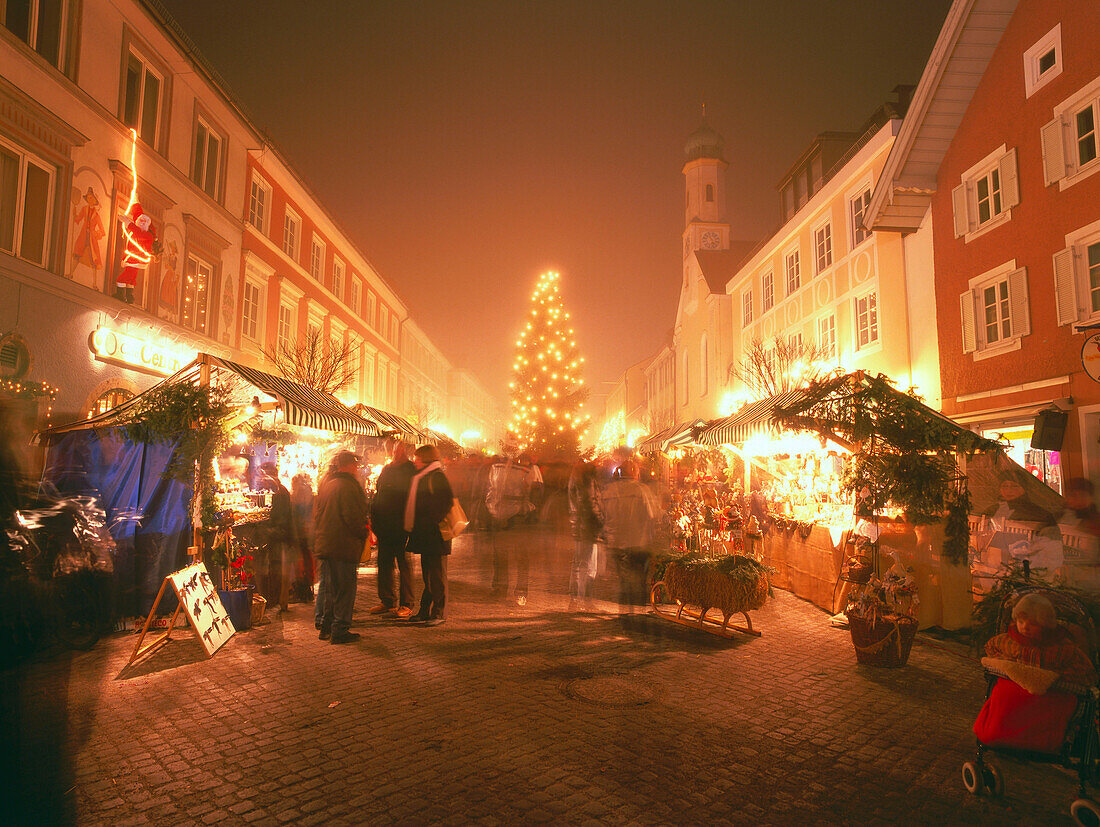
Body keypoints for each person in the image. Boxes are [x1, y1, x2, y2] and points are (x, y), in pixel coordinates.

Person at [974, 593, 1096, 753]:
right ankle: (997, 733)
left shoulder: (1061, 647)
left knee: (1057, 704)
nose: (1025, 627)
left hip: (1049, 693)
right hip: (1015, 687)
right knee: (1004, 698)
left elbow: (1084, 669)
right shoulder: (1010, 640)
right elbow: (991, 648)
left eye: (1033, 624)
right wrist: (1006, 663)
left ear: (1045, 624)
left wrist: (1055, 675)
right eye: (1021, 621)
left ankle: (1040, 741)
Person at [313, 451, 370, 644]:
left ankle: (326, 627)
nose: (357, 468)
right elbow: (352, 517)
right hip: (342, 545)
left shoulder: (329, 484)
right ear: (348, 465)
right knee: (345, 588)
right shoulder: (347, 486)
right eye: (355, 464)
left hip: (328, 544)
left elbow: (319, 515)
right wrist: (363, 533)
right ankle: (340, 629)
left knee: (330, 589)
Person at [404, 444, 454, 626]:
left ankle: (438, 613)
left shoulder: (436, 476)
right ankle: (425, 611)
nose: (415, 462)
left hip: (436, 535)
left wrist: (430, 520)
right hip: (426, 535)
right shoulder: (423, 477)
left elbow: (446, 502)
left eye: (417, 459)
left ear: (426, 460)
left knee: (437, 575)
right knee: (429, 575)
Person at [602, 459, 659, 612]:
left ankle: (624, 611)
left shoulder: (609, 490)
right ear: (634, 472)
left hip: (616, 542)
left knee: (623, 580)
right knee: (639, 579)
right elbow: (652, 515)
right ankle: (637, 613)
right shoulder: (641, 490)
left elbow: (603, 515)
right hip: (637, 542)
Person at [368, 440, 416, 618]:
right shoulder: (387, 470)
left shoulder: (410, 470)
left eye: (396, 448)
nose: (392, 451)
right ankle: (387, 600)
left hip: (401, 525)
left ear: (403, 450)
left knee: (403, 564)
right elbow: (378, 492)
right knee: (384, 564)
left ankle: (406, 603)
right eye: (390, 448)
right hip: (384, 525)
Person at [486, 450, 537, 605]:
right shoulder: (525, 470)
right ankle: (517, 591)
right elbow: (534, 493)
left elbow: (490, 490)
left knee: (504, 555)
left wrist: (493, 509)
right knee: (517, 556)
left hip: (506, 516)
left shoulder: (496, 469)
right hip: (516, 517)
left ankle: (502, 589)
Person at [257, 462, 294, 612]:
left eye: (265, 476)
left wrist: (269, 530)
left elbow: (282, 518)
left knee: (278, 568)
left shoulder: (280, 492)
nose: (263, 480)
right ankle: (280, 599)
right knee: (278, 568)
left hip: (280, 536)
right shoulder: (280, 491)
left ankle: (277, 599)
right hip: (281, 535)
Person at [567, 460, 603, 610]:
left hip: (579, 526)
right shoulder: (586, 482)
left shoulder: (575, 480)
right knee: (588, 565)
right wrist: (600, 521)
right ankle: (585, 600)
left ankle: (575, 600)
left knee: (579, 564)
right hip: (587, 526)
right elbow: (591, 504)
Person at [983, 473, 1056, 527]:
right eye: (1004, 486)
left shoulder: (1038, 514)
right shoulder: (992, 511)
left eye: (1014, 486)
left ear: (1024, 489)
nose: (1009, 490)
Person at [290, 473, 315, 603]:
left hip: (300, 530)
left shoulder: (298, 494)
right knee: (307, 558)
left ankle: (302, 589)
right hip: (306, 530)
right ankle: (307, 587)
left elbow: (297, 512)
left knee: (301, 560)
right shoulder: (308, 493)